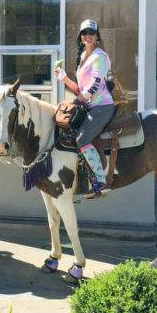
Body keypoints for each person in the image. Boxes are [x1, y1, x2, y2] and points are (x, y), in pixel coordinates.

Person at [54, 19, 115, 198]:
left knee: (82, 139)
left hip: (102, 106)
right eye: (84, 33)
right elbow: (81, 89)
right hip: (88, 105)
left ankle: (101, 181)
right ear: (80, 37)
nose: (88, 35)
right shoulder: (82, 59)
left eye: (91, 32)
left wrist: (77, 100)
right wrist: (64, 77)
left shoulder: (100, 57)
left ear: (97, 36)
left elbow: (94, 87)